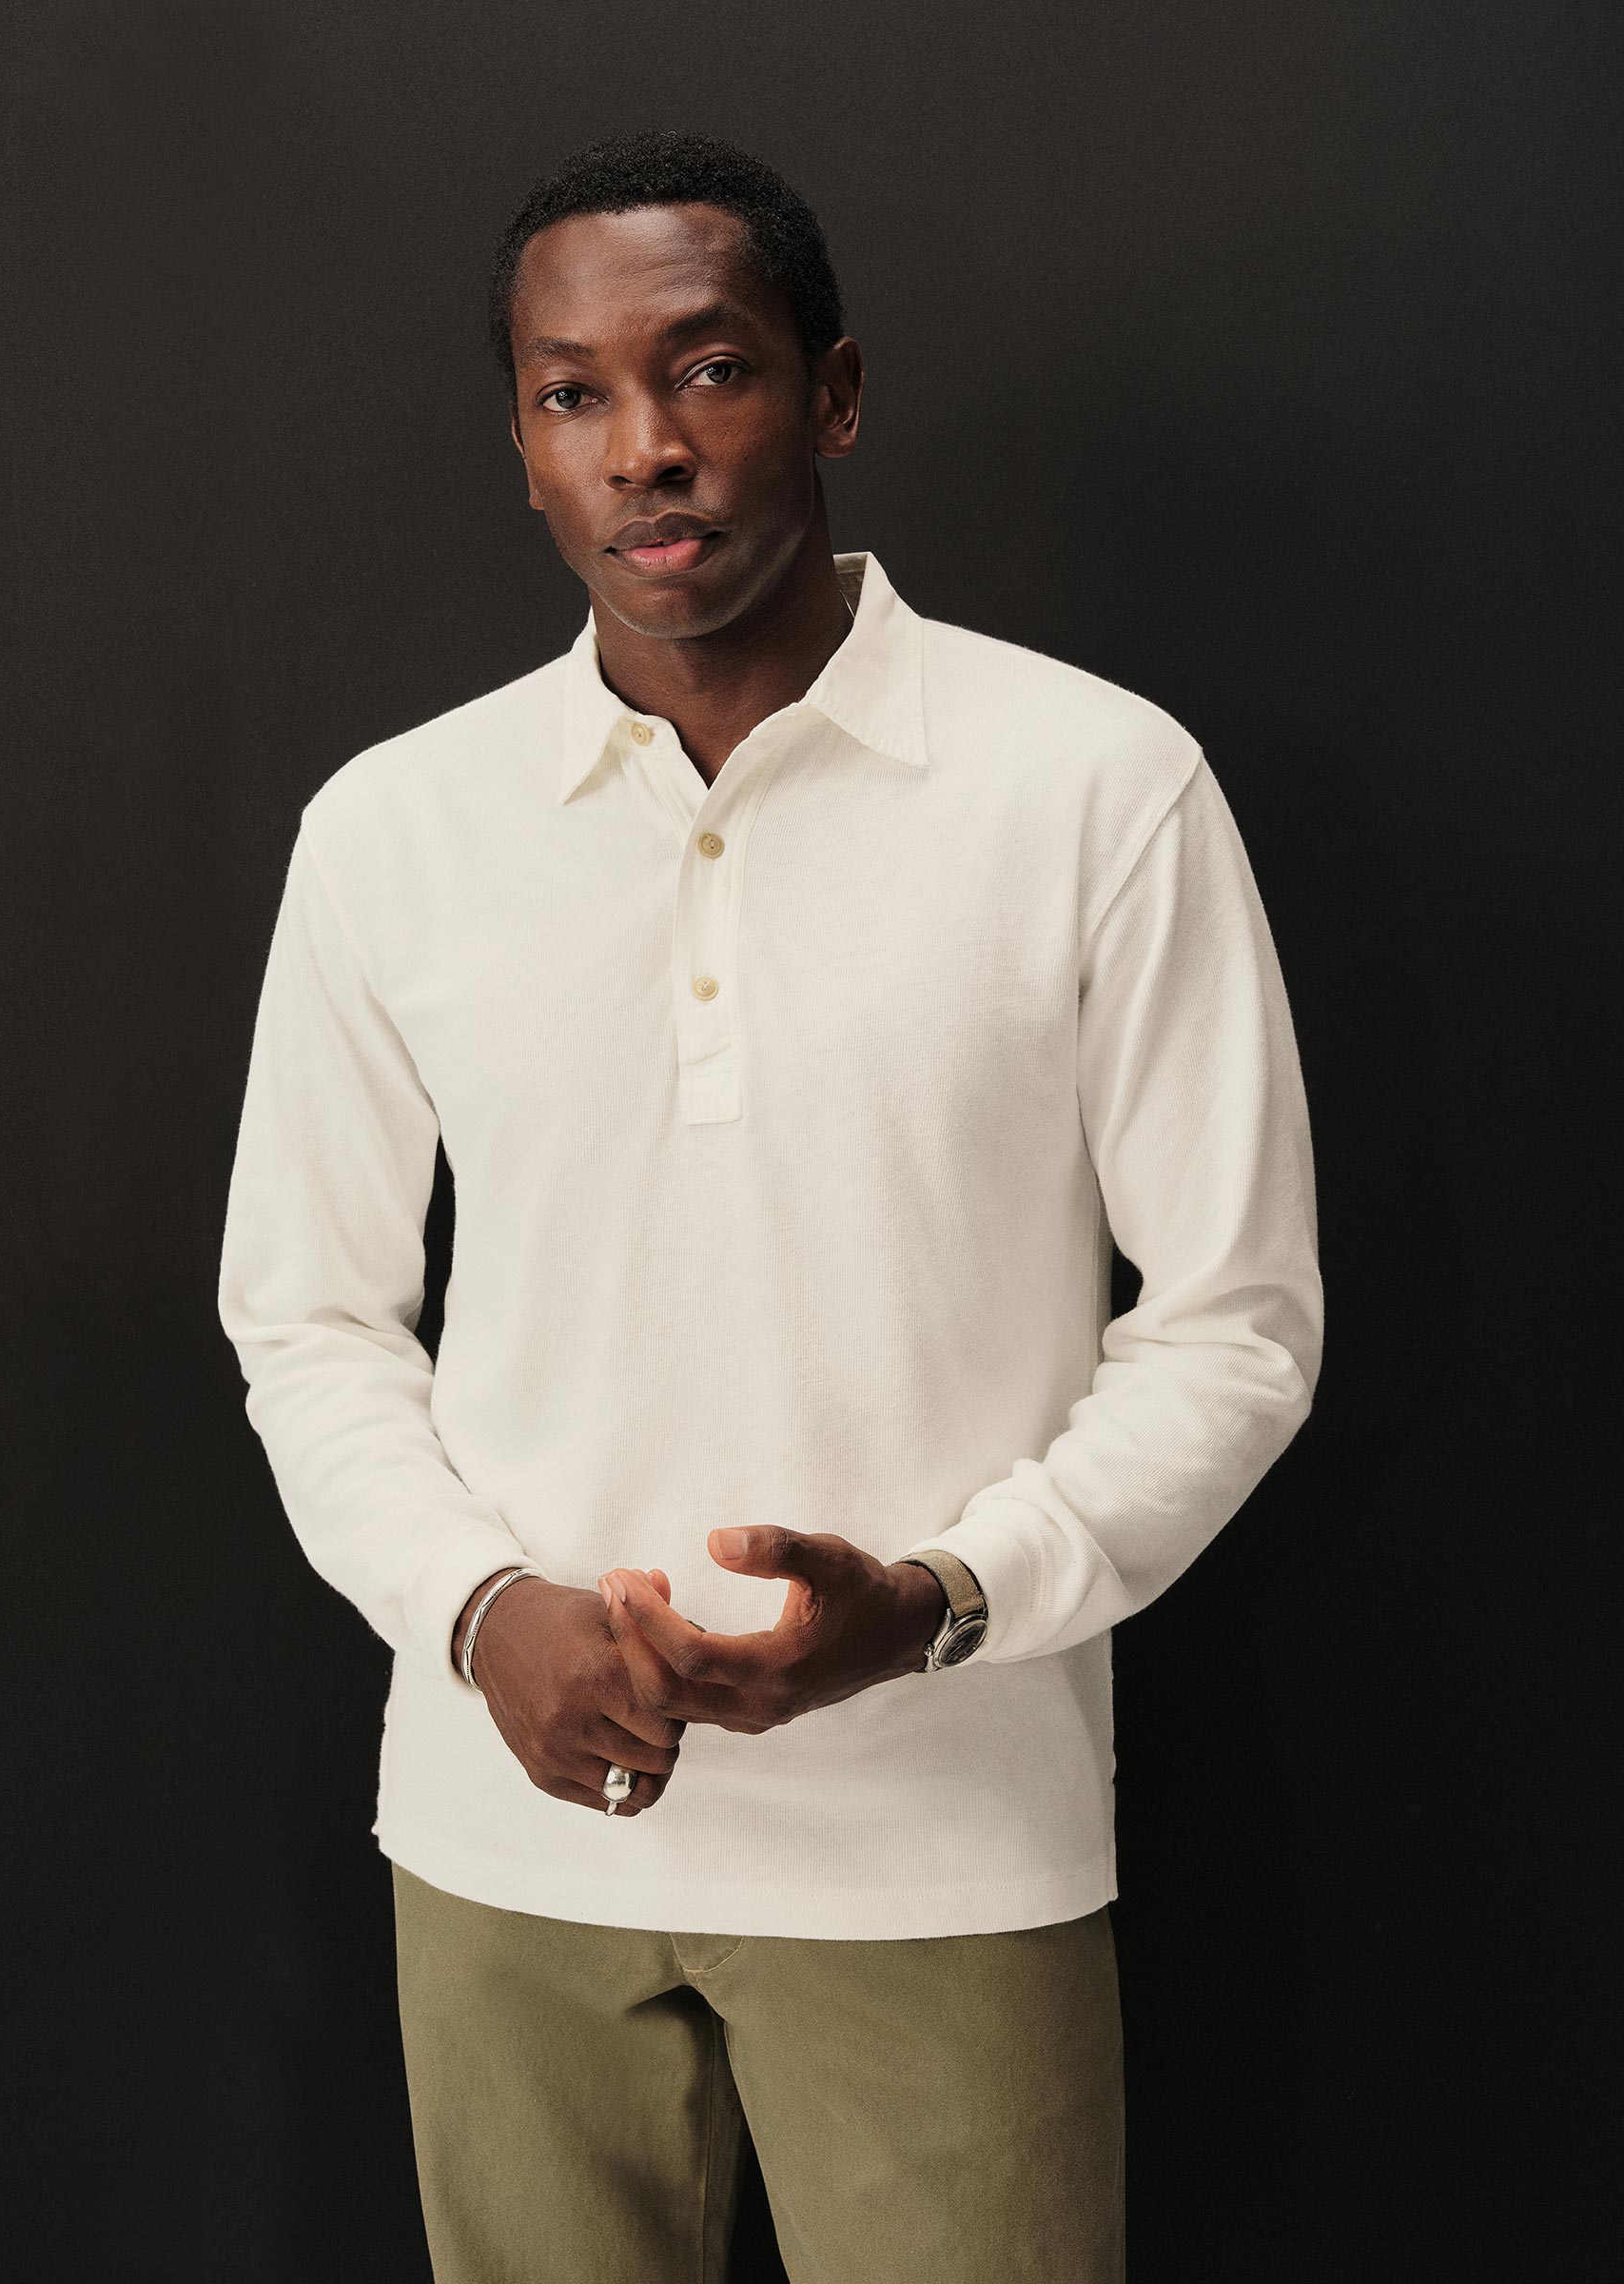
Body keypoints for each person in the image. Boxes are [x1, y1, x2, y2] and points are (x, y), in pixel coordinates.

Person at [217, 126, 1322, 2284]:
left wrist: (946, 1601)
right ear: (523, 445)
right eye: (573, 393)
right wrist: (480, 1613)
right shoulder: (393, 830)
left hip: (944, 1845)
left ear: (835, 393)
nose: (644, 446)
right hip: (506, 1845)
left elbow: (1237, 1318)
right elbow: (310, 1318)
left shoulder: (1096, 786)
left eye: (709, 369)